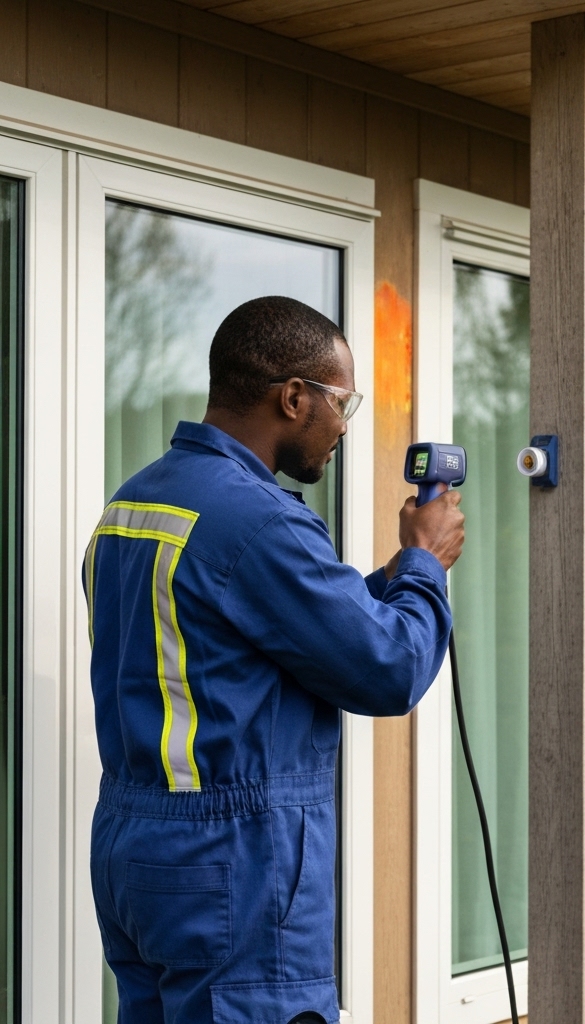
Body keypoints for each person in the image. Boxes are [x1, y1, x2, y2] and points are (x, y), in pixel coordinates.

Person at [85, 296, 464, 1024]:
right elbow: (388, 669)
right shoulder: (257, 520)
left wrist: (386, 581)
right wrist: (424, 566)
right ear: (294, 398)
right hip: (234, 862)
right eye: (341, 401)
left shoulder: (136, 503)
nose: (344, 426)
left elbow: (256, 626)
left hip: (137, 850)